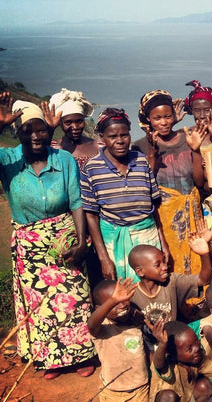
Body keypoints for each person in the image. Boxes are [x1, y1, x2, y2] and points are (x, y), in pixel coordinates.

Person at [0, 92, 95, 379]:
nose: (36, 135)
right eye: (28, 130)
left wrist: (80, 242)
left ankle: (81, 353)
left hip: (65, 235)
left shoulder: (62, 159)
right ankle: (52, 359)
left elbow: (76, 202)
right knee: (39, 305)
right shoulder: (7, 159)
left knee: (75, 296)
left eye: (41, 129)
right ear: (18, 133)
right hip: (29, 243)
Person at [80, 108, 167, 281]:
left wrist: (163, 243)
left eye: (124, 135)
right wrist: (104, 258)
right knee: (122, 294)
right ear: (102, 138)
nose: (120, 141)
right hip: (113, 241)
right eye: (112, 136)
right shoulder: (91, 168)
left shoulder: (141, 161)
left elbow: (153, 207)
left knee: (153, 287)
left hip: (147, 236)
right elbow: (91, 216)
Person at [136, 89, 207, 274]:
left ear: (174, 116)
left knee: (197, 255)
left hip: (193, 212)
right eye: (157, 118)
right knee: (170, 260)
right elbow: (145, 185)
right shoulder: (139, 146)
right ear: (147, 119)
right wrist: (152, 152)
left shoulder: (187, 137)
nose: (164, 122)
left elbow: (199, 182)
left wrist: (197, 150)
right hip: (164, 218)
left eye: (167, 116)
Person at [87, 278, 151, 402]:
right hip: (113, 392)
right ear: (102, 307)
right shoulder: (101, 330)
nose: (122, 305)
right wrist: (112, 301)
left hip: (139, 389)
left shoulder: (133, 323)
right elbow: (91, 324)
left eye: (124, 301)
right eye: (114, 303)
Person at [128, 232, 212, 351]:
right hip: (151, 346)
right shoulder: (132, 294)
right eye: (158, 265)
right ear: (140, 271)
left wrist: (204, 254)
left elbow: (203, 280)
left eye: (164, 261)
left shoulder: (172, 281)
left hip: (175, 339)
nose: (165, 267)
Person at [47, 88, 100, 169]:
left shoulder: (99, 147)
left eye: (79, 121)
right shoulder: (52, 148)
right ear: (60, 123)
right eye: (68, 122)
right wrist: (51, 128)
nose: (75, 127)